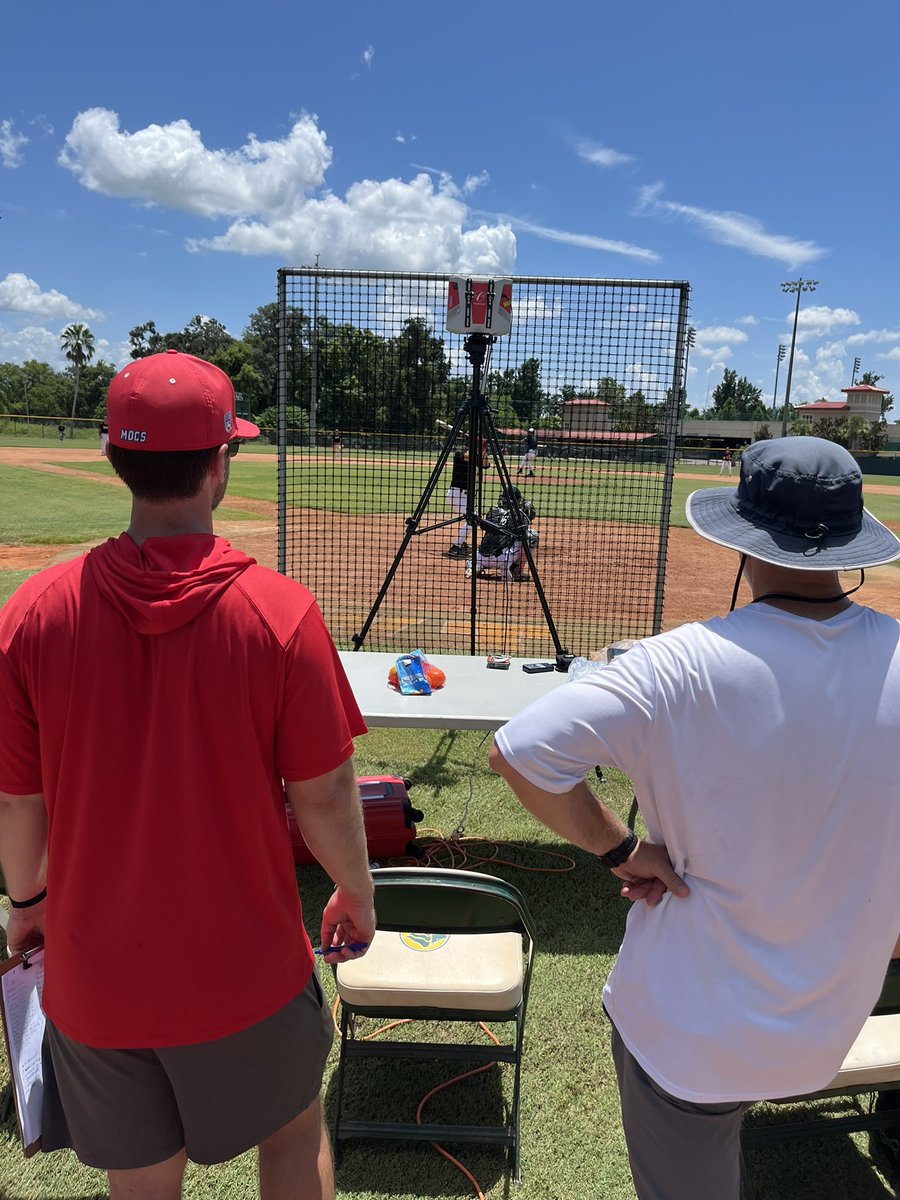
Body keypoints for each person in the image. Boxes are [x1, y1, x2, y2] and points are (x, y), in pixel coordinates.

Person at [0, 350, 375, 1200]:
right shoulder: (280, 613)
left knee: (140, 1183)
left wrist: (26, 905)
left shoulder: (32, 613)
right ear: (219, 463)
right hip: (248, 968)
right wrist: (357, 889)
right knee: (291, 1136)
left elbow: (19, 801)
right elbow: (322, 791)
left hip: (97, 978)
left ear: (113, 459)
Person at [489, 437, 900, 1200]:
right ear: (851, 542)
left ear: (741, 540)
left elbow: (519, 754)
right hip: (828, 1027)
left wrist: (619, 850)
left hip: (685, 1035)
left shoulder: (673, 662)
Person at [465, 486, 536, 582]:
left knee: (492, 536)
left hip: (481, 557)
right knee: (532, 536)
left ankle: (474, 565)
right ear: (518, 500)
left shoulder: (492, 512)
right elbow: (522, 537)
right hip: (503, 559)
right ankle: (516, 571)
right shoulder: (520, 515)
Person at [444, 439, 487, 557]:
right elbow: (467, 456)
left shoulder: (476, 454)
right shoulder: (460, 451)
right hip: (456, 495)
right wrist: (477, 447)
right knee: (474, 518)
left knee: (472, 518)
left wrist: (483, 450)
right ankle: (455, 547)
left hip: (466, 497)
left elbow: (485, 464)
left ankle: (460, 543)